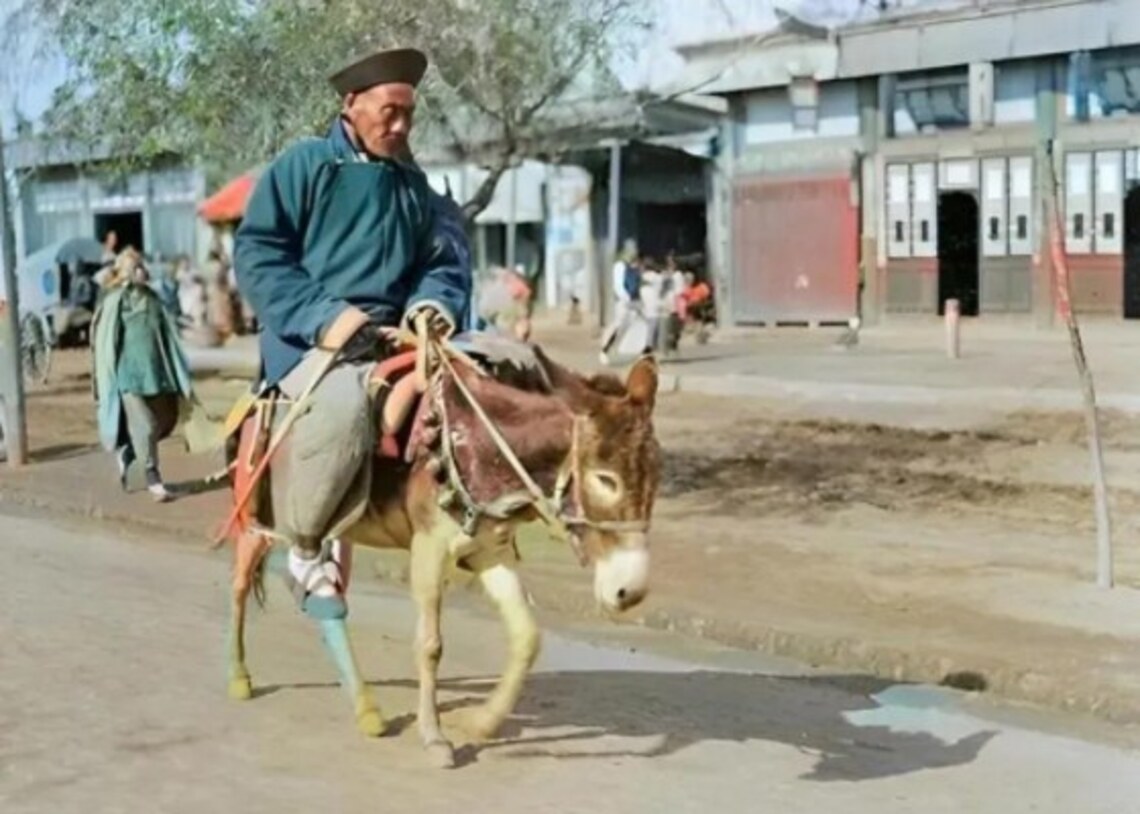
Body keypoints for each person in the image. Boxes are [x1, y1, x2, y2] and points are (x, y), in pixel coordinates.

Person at [233, 46, 471, 620]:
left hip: (393, 335)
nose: (402, 125)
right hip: (311, 338)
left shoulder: (414, 185)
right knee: (345, 408)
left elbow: (441, 260)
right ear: (351, 104)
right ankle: (307, 547)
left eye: (410, 114)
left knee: (481, 388)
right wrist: (326, 317)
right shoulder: (304, 166)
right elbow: (258, 252)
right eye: (390, 110)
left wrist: (432, 306)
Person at [91, 248, 199, 502]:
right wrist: (107, 380)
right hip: (127, 376)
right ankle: (153, 479)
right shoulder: (115, 301)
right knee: (147, 426)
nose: (140, 270)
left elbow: (167, 335)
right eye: (134, 266)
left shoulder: (153, 299)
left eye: (140, 265)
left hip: (155, 374)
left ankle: (129, 452)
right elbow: (106, 344)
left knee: (163, 421)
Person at [598, 241, 641, 365]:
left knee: (634, 326)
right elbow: (618, 285)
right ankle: (604, 350)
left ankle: (631, 352)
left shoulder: (634, 266)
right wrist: (625, 298)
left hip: (634, 301)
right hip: (624, 301)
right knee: (618, 326)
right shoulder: (620, 266)